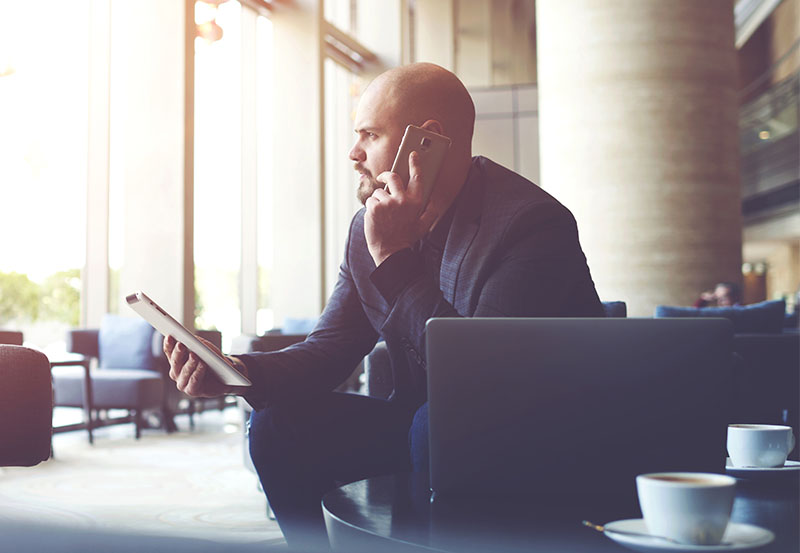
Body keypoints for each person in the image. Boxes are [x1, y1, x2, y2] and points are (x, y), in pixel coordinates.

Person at [164, 62, 604, 551]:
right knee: (277, 427)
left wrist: (394, 259)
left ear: (426, 142)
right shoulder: (368, 227)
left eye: (369, 135)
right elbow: (331, 348)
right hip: (427, 430)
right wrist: (235, 370)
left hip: (531, 441)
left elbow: (483, 384)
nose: (353, 153)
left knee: (429, 426)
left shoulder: (531, 225)